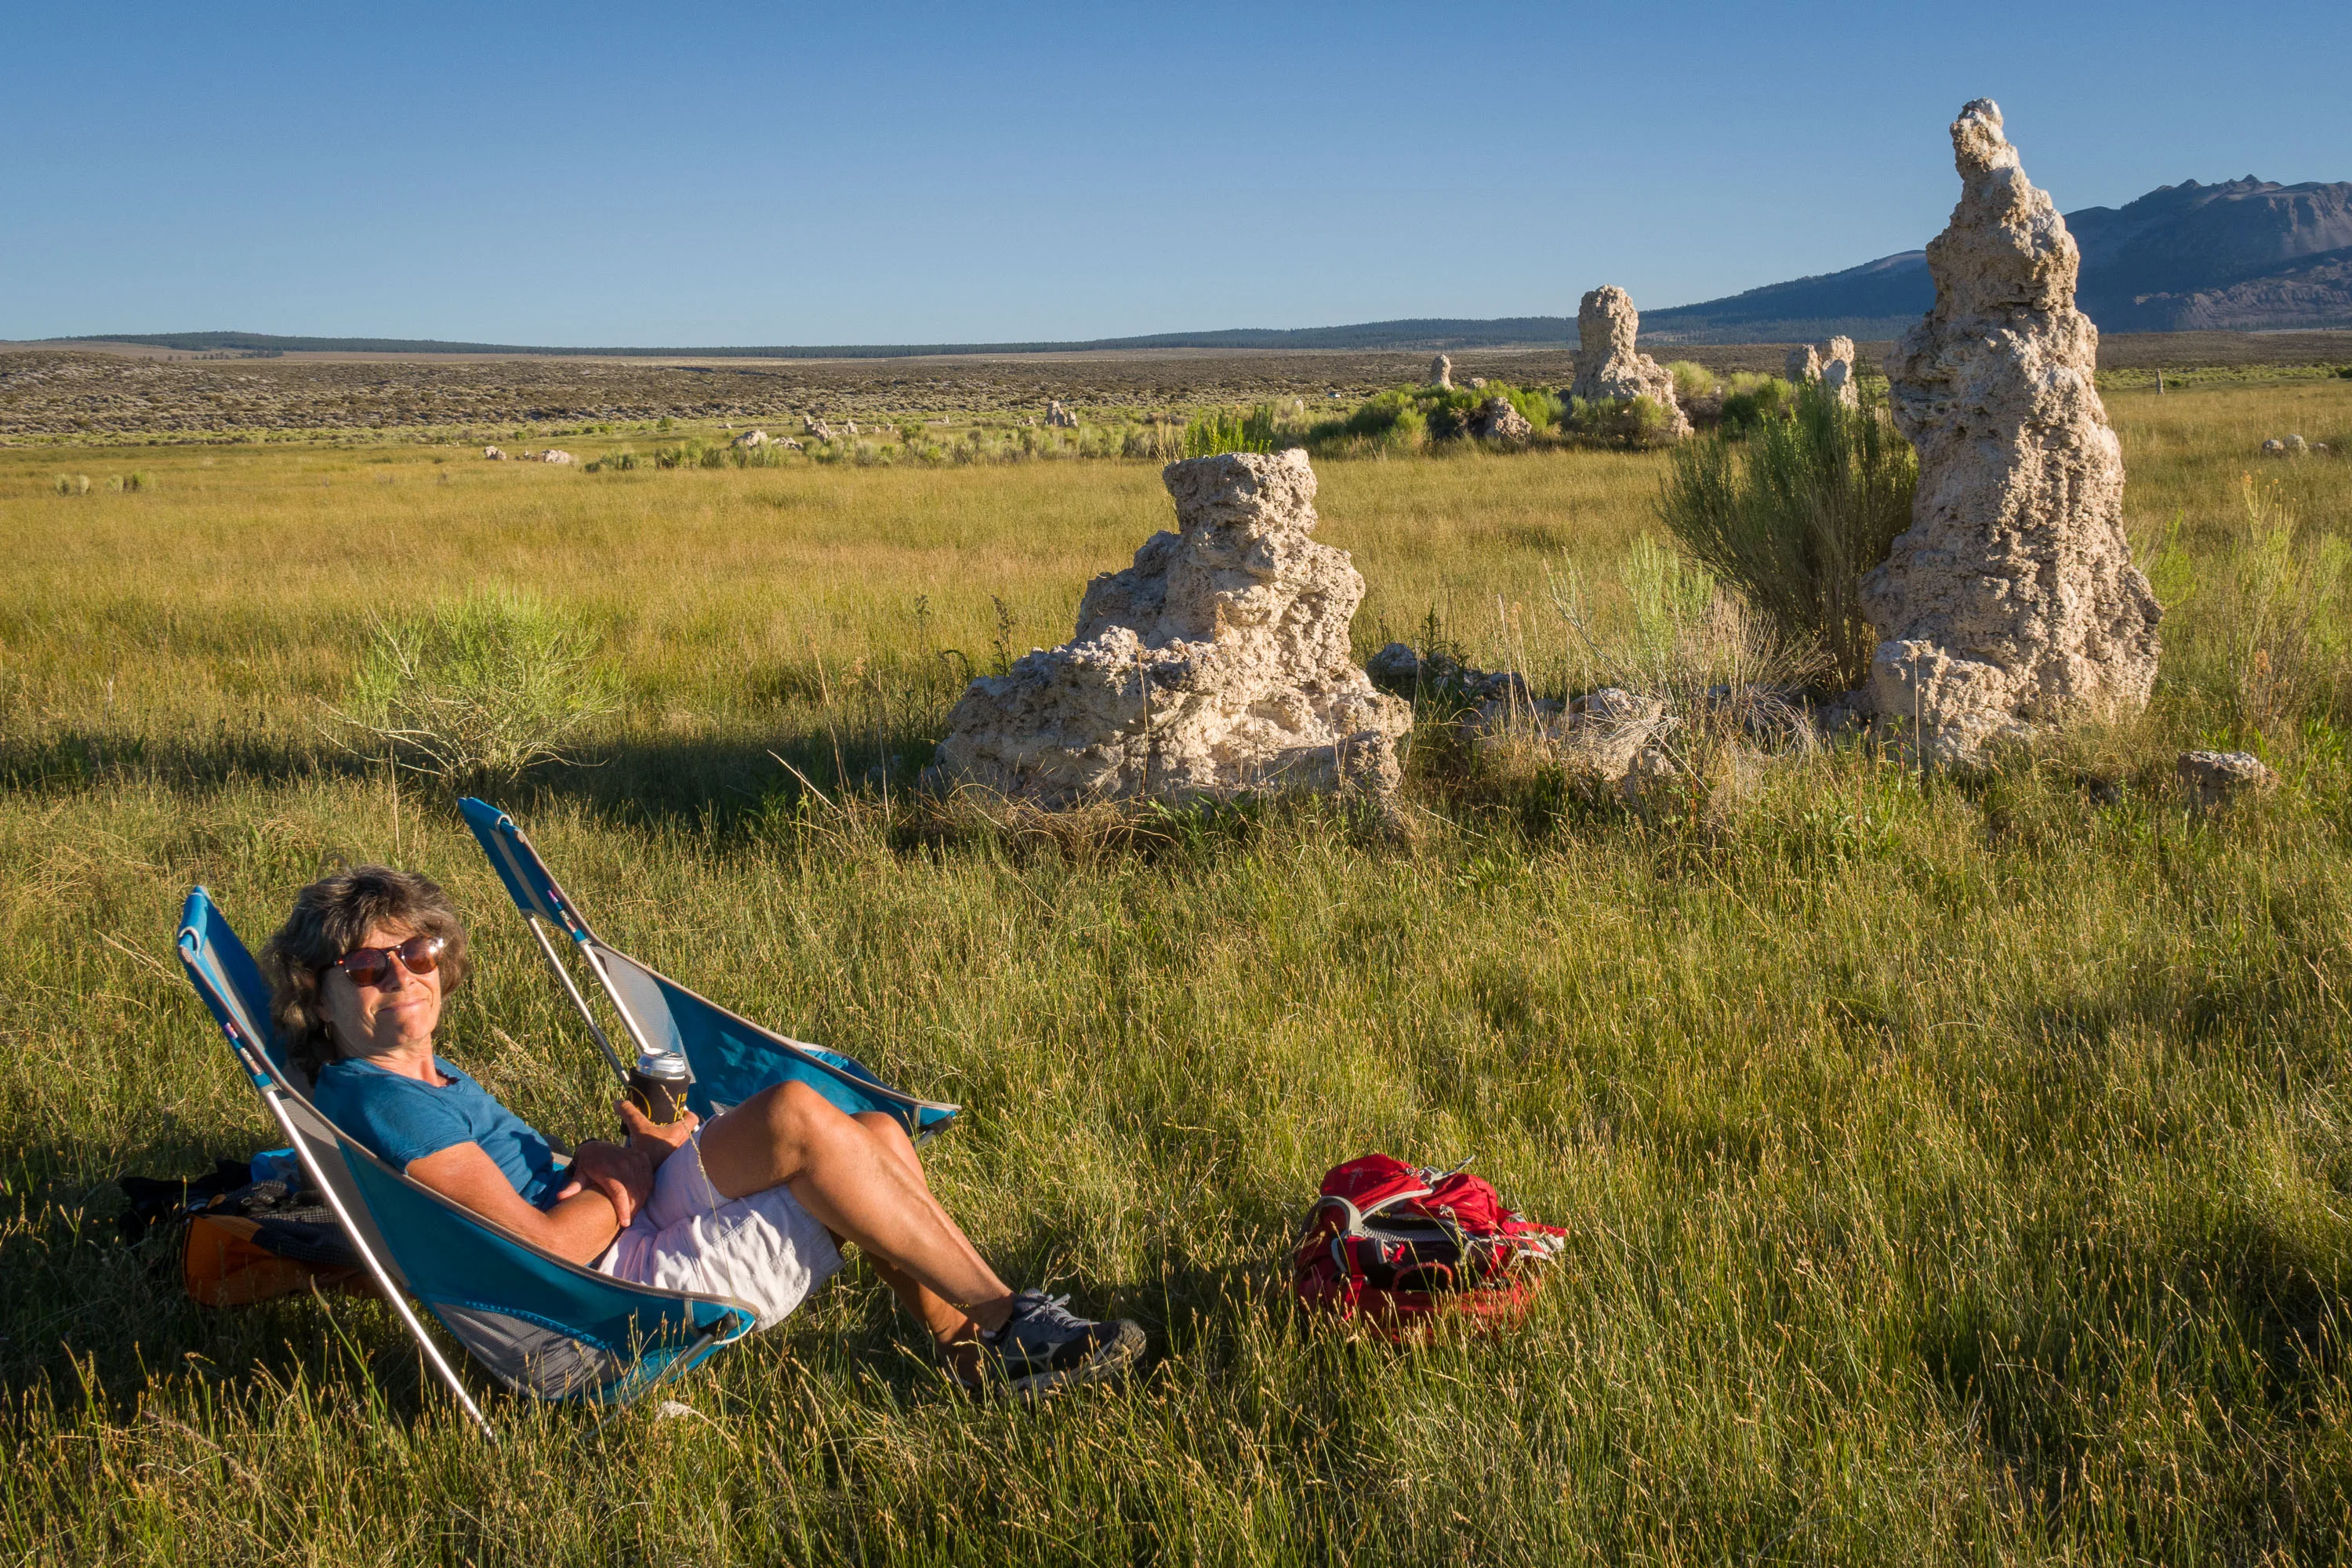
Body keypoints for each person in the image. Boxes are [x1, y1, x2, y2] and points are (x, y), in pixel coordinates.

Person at [259, 865, 1142, 1396]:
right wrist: (632, 1173)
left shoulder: (415, 1077)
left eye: (417, 953)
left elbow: (509, 1197)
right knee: (799, 1118)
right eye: (367, 966)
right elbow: (542, 1252)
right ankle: (1005, 1321)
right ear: (318, 996)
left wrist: (615, 1159)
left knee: (875, 1130)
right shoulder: (385, 1099)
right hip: (599, 1293)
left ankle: (969, 1352)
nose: (402, 976)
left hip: (615, 1227)